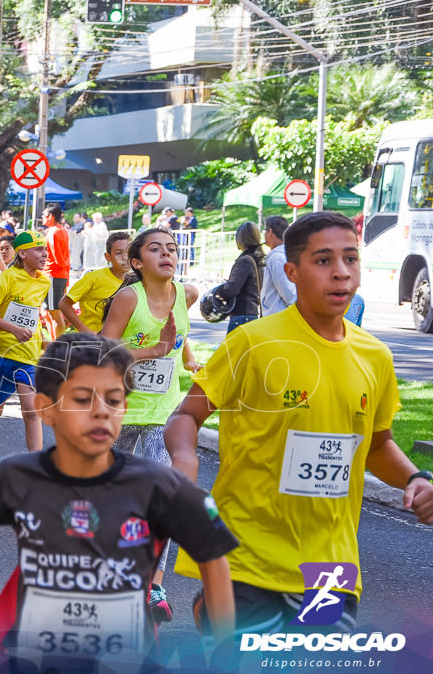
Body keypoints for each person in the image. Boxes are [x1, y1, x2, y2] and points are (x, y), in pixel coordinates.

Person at [165, 211, 433, 641]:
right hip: (245, 554)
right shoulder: (254, 343)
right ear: (291, 271)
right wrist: (183, 461)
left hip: (331, 565)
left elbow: (377, 444)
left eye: (351, 258)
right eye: (324, 260)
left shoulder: (375, 356)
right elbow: (186, 415)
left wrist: (415, 478)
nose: (341, 272)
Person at [0, 333, 237, 671]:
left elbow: (215, 560)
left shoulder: (159, 486)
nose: (101, 412)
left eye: (113, 400)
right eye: (84, 399)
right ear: (45, 407)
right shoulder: (15, 477)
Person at [100, 227, 200, 622]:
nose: (167, 254)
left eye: (172, 249)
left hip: (163, 413)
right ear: (137, 262)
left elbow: (179, 333)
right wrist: (152, 350)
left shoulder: (186, 295)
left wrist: (184, 354)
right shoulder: (129, 297)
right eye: (155, 249)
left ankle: (153, 584)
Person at [0, 231, 51, 453]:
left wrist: (45, 341)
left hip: (27, 354)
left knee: (31, 410)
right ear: (23, 253)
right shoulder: (7, 278)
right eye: (39, 250)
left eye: (45, 249)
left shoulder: (44, 282)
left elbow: (32, 316)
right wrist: (14, 330)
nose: (45, 254)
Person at [59, 231, 129, 333]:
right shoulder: (93, 277)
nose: (125, 257)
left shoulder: (135, 282)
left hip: (116, 343)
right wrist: (84, 330)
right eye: (119, 253)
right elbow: (64, 304)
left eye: (129, 252)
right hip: (91, 342)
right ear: (108, 257)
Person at [216, 222, 265, 334]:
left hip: (241, 316)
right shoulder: (258, 259)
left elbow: (231, 289)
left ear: (241, 238)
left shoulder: (245, 260)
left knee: (232, 351)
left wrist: (219, 290)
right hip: (252, 314)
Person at [42, 204, 70, 337]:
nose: (42, 217)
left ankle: (58, 347)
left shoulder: (54, 232)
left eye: (44, 215)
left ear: (51, 217)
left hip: (53, 274)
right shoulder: (61, 230)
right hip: (56, 275)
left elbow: (58, 258)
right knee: (47, 312)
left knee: (54, 313)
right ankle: (54, 345)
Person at [260, 215, 296, 316]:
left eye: (265, 231)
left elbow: (288, 292)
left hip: (277, 314)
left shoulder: (277, 258)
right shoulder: (282, 254)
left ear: (270, 232)